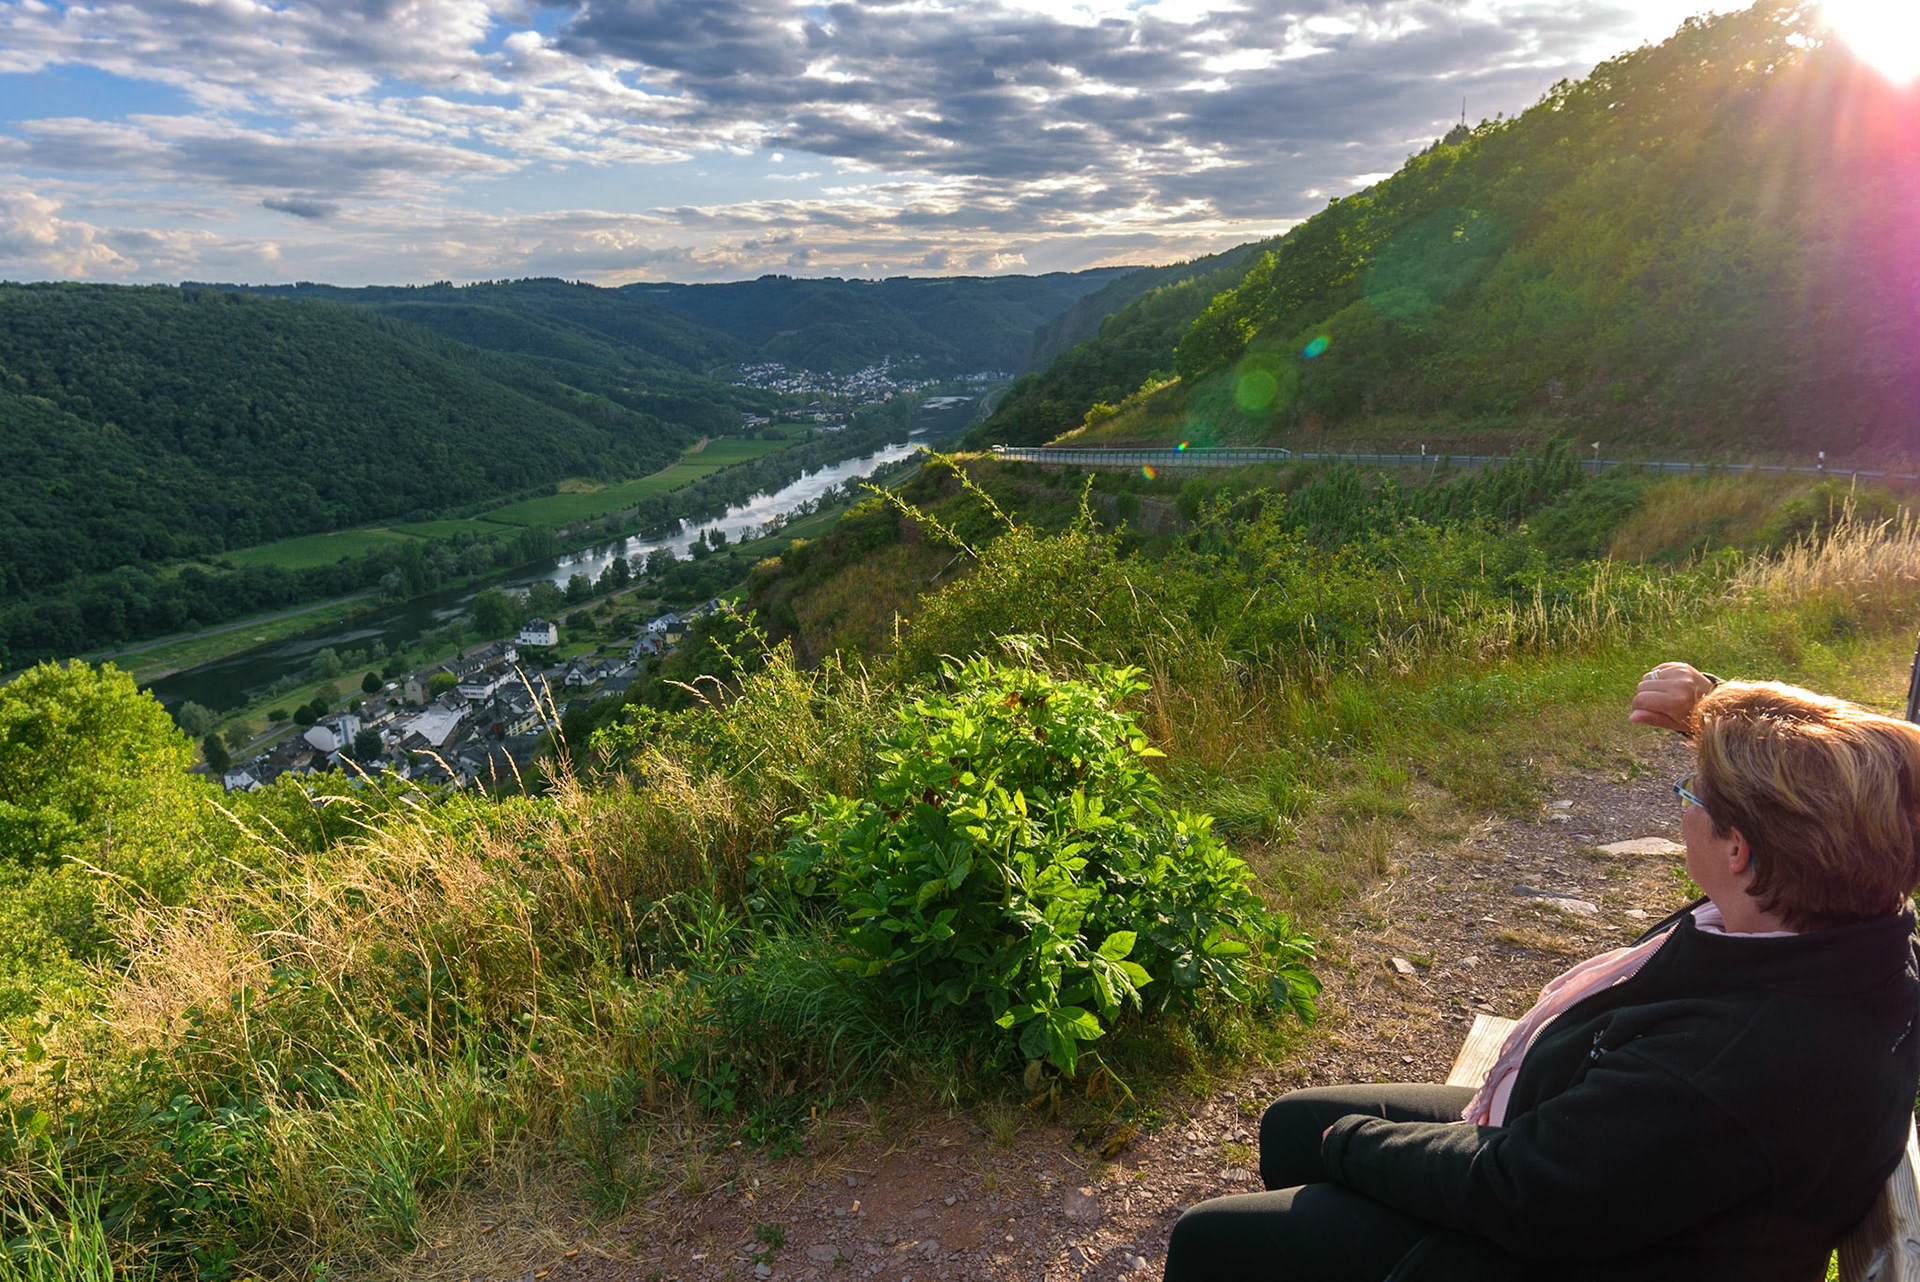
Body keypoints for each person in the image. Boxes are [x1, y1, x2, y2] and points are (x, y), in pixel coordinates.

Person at [1162, 663, 1920, 1281]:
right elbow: (1857, 773)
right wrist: (1714, 706)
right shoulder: (1835, 921)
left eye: (1691, 796)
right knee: (1290, 1121)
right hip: (1627, 1170)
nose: (1680, 808)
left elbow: (1522, 1191)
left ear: (1740, 850)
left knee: (1215, 1238)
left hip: (1578, 1237)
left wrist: (1349, 1145)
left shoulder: (1734, 1061)